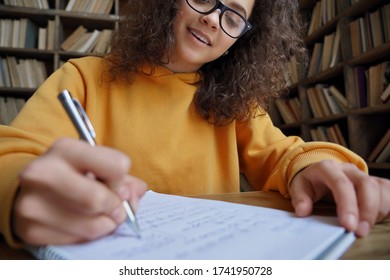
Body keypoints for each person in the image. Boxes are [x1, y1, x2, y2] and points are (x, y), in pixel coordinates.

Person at [0, 0, 389, 248]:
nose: (213, 19)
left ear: (242, 38)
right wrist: (19, 194)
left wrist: (314, 166)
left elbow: (282, 154)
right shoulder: (83, 76)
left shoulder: (234, 103)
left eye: (234, 15)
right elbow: (12, 154)